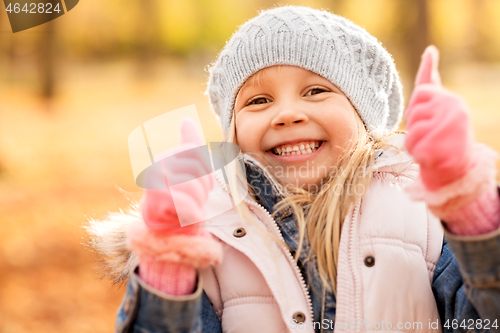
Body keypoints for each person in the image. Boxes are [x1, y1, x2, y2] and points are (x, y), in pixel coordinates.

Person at [85, 6, 500, 333]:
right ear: (232, 131)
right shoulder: (207, 235)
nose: (286, 114)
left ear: (364, 115)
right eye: (258, 101)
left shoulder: (421, 216)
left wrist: (469, 206)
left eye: (316, 91)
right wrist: (168, 255)